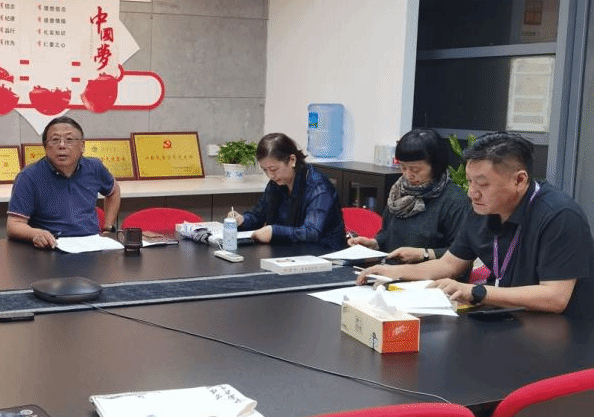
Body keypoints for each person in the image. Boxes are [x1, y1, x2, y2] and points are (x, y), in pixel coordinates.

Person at [357, 132, 594, 316]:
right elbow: (449, 264)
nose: (472, 193)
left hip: (560, 332)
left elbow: (555, 298)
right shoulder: (481, 209)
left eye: (483, 184)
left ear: (519, 180)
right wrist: (390, 271)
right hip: (506, 317)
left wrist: (476, 291)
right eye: (470, 182)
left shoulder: (559, 216)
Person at [348, 129, 470, 262]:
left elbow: (463, 253)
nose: (407, 175)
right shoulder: (399, 191)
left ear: (436, 166)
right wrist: (375, 244)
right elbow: (388, 234)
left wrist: (424, 254)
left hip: (428, 272)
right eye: (403, 167)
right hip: (390, 269)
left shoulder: (454, 201)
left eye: (415, 170)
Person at [6, 116, 121, 248]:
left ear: (82, 146)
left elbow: (114, 191)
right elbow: (14, 224)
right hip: (52, 246)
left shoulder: (94, 167)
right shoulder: (28, 176)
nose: (62, 145)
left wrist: (108, 228)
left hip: (92, 244)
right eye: (55, 140)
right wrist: (35, 234)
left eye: (69, 140)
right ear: (45, 147)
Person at [228, 132, 345, 252]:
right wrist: (242, 220)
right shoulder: (277, 183)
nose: (270, 175)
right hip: (290, 251)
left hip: (324, 253)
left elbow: (311, 232)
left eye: (273, 169)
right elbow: (259, 214)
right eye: (265, 170)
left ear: (292, 160)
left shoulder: (319, 187)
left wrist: (274, 232)